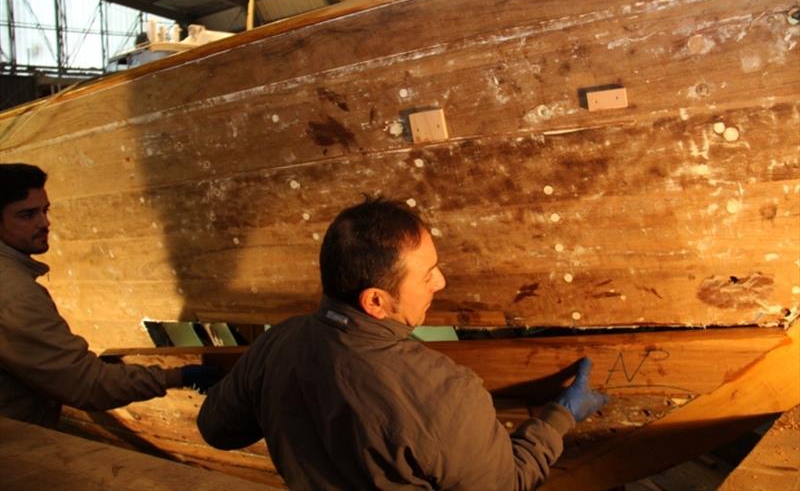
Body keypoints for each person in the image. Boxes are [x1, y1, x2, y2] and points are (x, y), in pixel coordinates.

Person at [198, 198, 608, 489]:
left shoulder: (278, 344)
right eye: (428, 273)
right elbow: (508, 485)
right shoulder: (444, 395)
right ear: (375, 301)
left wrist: (282, 409)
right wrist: (558, 418)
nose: (441, 282)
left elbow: (217, 430)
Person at [0, 163, 219, 428]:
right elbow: (85, 385)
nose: (45, 223)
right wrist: (178, 376)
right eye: (27, 215)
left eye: (45, 211)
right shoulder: (15, 294)